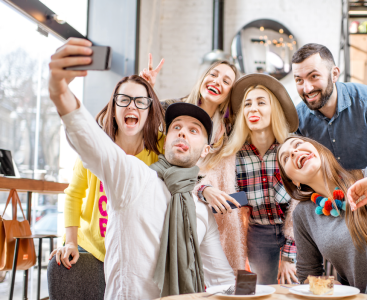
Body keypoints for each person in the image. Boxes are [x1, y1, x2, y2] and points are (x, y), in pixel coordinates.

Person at [48, 38, 234, 300]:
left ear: (206, 150)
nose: (182, 133)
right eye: (176, 127)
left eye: (194, 131)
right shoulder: (132, 176)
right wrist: (59, 91)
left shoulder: (200, 210)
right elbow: (88, 138)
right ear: (164, 138)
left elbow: (223, 280)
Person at [141, 57, 252, 275]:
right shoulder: (171, 109)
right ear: (203, 78)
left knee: (216, 276)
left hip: (214, 212)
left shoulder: (230, 129)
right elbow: (138, 130)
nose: (217, 81)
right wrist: (146, 91)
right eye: (213, 74)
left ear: (230, 92)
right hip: (173, 199)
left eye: (226, 80)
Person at [48, 75, 164, 278]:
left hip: (137, 252)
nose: (132, 106)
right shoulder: (96, 146)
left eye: (140, 101)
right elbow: (73, 195)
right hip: (92, 249)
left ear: (149, 110)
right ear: (113, 107)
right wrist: (71, 242)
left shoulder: (161, 147)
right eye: (124, 99)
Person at [217, 73, 300, 284]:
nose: (253, 108)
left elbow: (302, 204)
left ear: (274, 109)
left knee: (296, 290)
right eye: (247, 104)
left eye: (261, 102)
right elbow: (228, 197)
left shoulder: (291, 148)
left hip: (295, 232)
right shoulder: (234, 155)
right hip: (258, 235)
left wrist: (290, 255)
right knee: (265, 291)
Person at [277, 136, 367, 292]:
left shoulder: (364, 177)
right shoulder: (303, 214)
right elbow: (308, 274)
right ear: (293, 181)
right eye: (285, 158)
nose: (293, 152)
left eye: (298, 144)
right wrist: (326, 287)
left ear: (317, 149)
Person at [292, 43, 367, 170]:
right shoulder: (297, 119)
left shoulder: (364, 101)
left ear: (334, 74)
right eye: (299, 80)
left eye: (314, 76)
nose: (307, 89)